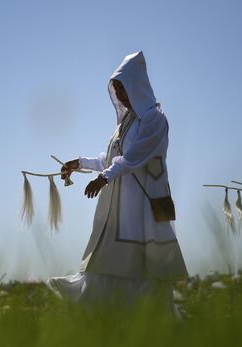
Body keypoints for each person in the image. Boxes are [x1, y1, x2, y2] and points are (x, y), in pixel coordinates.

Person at [47, 51, 188, 313]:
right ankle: (109, 317)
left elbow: (133, 158)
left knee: (142, 267)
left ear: (136, 86)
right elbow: (111, 158)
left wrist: (105, 178)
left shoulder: (154, 120)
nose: (121, 94)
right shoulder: (126, 122)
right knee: (110, 261)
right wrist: (80, 164)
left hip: (143, 206)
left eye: (124, 87)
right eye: (117, 89)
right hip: (120, 206)